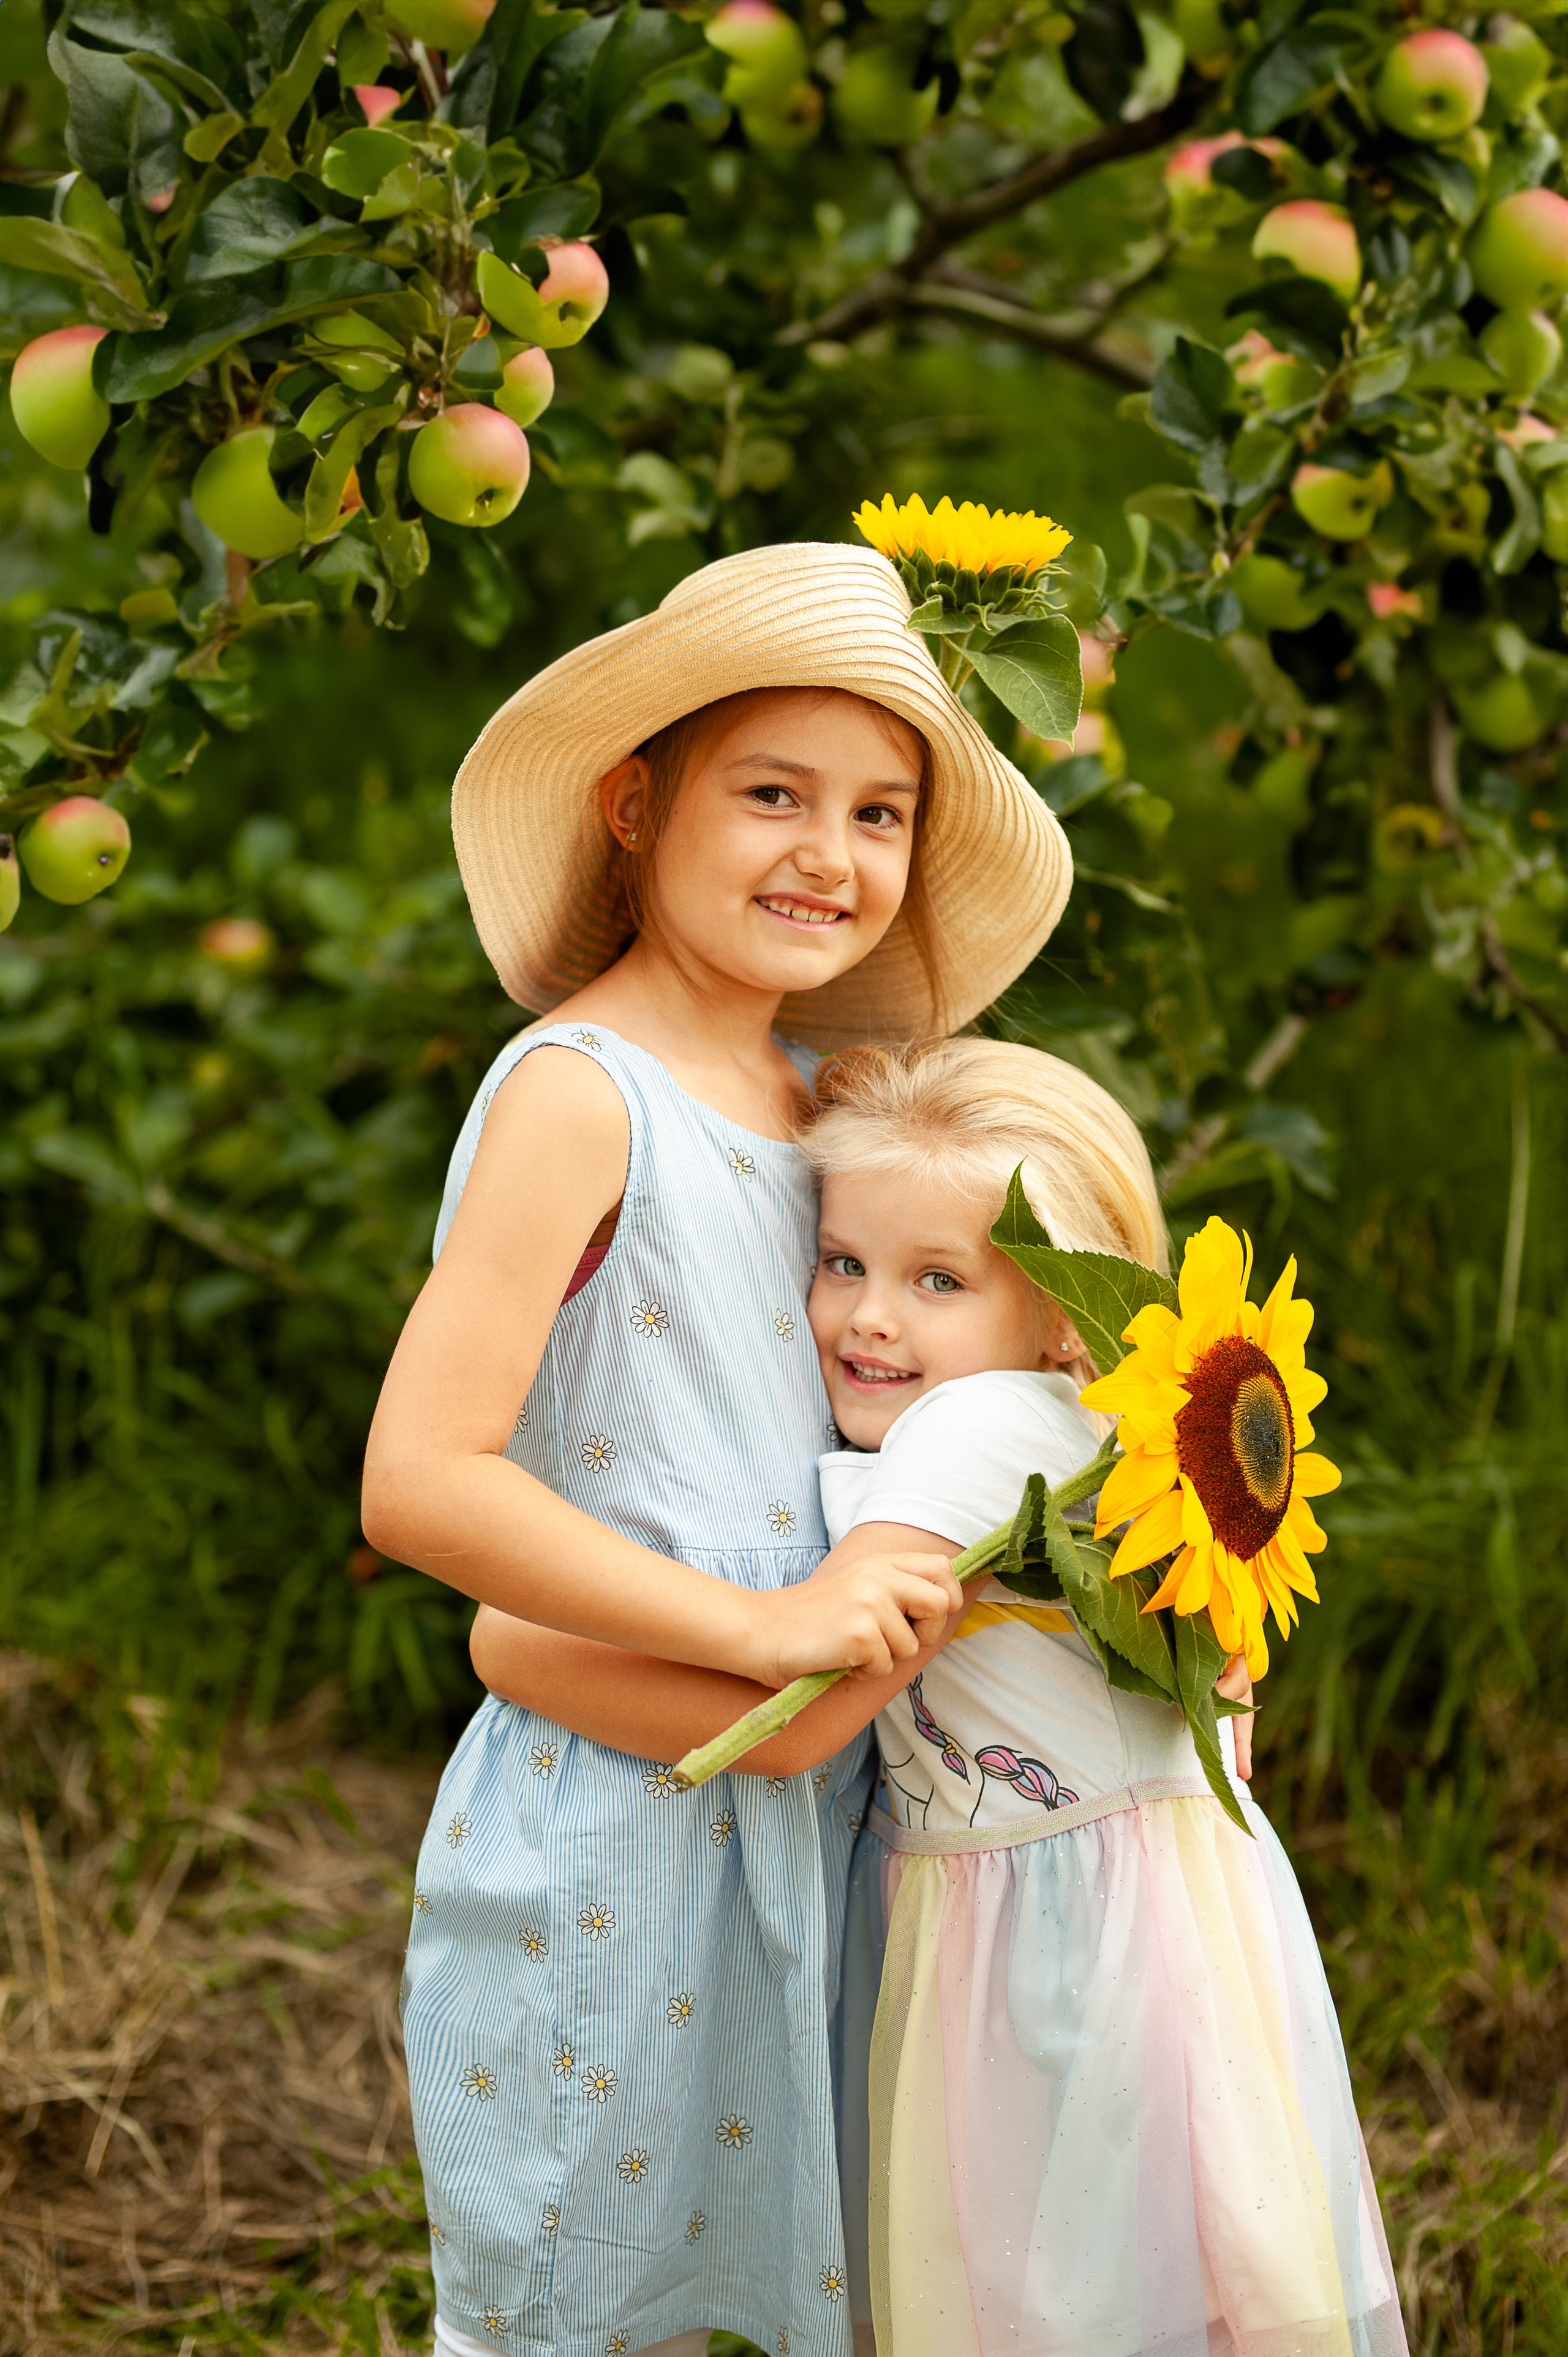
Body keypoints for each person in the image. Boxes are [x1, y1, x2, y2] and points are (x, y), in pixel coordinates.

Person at [360, 542, 1072, 2357]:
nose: (828, 854)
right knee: (577, 2288)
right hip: (621, 1802)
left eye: (878, 814)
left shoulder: (823, 1106)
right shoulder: (581, 1095)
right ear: (634, 805)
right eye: (772, 794)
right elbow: (422, 1476)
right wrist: (759, 1626)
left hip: (809, 1799)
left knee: (768, 2276)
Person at [472, 1037, 1408, 2357]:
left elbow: (799, 1725)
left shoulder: (965, 1440)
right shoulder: (1113, 1434)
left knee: (1030, 2294)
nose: (868, 1317)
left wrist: (512, 1643)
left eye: (937, 1280)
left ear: (1061, 1312)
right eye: (842, 1261)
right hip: (1174, 1926)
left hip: (1036, 1950)